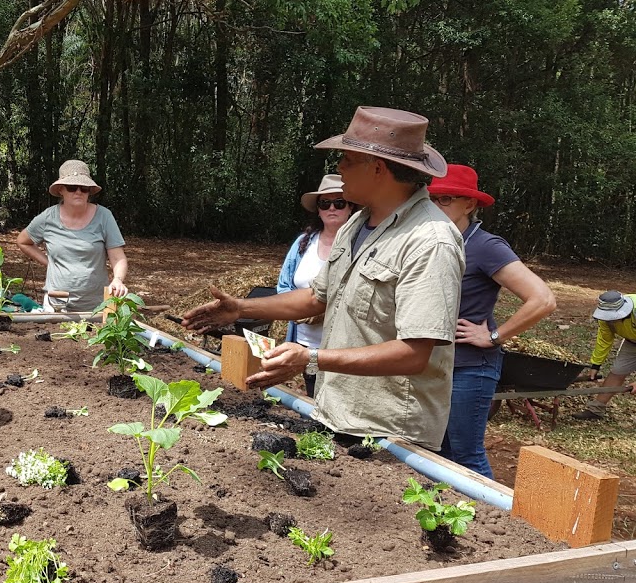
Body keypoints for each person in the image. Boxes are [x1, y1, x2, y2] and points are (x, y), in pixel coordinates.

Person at [183, 106, 464, 451]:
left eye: (346, 160)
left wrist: (311, 358)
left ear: (377, 168)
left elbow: (414, 353)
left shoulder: (430, 241)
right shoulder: (357, 224)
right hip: (339, 412)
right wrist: (239, 308)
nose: (339, 170)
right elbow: (316, 297)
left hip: (390, 434)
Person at [429, 165, 556, 478]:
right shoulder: (434, 243)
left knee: (465, 454)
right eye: (430, 199)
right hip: (434, 367)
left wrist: (494, 336)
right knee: (437, 451)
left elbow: (543, 299)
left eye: (444, 199)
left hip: (471, 367)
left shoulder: (485, 246)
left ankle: (492, 522)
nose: (434, 207)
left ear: (469, 204)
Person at [277, 174, 359, 397]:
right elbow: (284, 285)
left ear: (351, 207)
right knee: (314, 396)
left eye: (339, 203)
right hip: (305, 341)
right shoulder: (305, 242)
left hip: (344, 347)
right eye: (325, 203)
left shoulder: (362, 243)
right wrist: (300, 310)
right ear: (318, 209)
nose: (332, 208)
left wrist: (323, 309)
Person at [17, 160, 128, 312]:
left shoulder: (104, 216)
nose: (78, 192)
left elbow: (118, 257)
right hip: (56, 304)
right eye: (71, 187)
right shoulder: (48, 217)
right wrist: (49, 263)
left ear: (89, 191)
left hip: (97, 305)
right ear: (61, 190)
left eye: (83, 188)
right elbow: (23, 241)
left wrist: (118, 279)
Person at [572, 290, 636, 420]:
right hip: (632, 341)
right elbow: (604, 340)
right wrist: (595, 365)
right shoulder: (606, 319)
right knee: (617, 372)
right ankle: (596, 410)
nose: (612, 321)